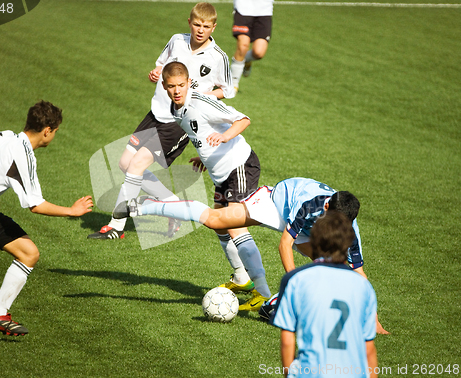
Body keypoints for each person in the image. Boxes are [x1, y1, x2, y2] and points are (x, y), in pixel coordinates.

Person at [119, 176, 388, 333]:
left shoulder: (348, 228)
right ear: (327, 206)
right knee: (215, 220)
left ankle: (273, 304)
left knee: (332, 265)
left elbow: (359, 273)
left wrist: (374, 320)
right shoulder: (311, 204)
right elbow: (284, 245)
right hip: (276, 203)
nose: (340, 228)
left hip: (308, 231)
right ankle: (147, 206)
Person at [88, 2, 235, 240]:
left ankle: (116, 225)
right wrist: (155, 72)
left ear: (214, 27)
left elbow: (228, 90)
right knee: (125, 164)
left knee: (136, 167)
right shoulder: (177, 40)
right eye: (197, 24)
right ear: (190, 22)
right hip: (155, 113)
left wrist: (202, 96)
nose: (200, 30)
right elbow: (161, 64)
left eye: (206, 26)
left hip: (178, 123)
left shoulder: (219, 57)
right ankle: (174, 207)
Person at [0, 101, 93, 336]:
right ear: (47, 131)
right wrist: (72, 211)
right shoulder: (22, 154)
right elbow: (36, 205)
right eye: (55, 132)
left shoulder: (5, 136)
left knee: (29, 253)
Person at [159, 61, 271, 310]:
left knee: (233, 227)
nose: (177, 90)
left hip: (239, 166)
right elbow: (200, 131)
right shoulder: (175, 108)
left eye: (181, 85)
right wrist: (205, 155)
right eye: (171, 86)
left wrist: (224, 136)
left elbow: (243, 120)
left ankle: (264, 294)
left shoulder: (200, 101)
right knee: (219, 227)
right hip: (220, 172)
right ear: (164, 87)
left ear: (189, 82)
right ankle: (242, 279)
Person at [271, 211, 378, 378]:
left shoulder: (295, 279)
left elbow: (287, 340)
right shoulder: (364, 286)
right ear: (349, 243)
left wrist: (288, 374)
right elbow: (369, 349)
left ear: (314, 240)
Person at [230, 0, 274, 94]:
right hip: (243, 8)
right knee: (243, 46)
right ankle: (233, 83)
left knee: (259, 53)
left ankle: (244, 60)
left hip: (264, 10)